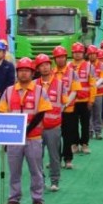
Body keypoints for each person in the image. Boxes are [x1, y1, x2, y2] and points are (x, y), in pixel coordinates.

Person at [0, 57, 53, 204]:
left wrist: (26, 130)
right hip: (14, 139)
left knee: (36, 170)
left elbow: (41, 114)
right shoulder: (9, 91)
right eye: (21, 71)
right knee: (14, 170)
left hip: (34, 137)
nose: (23, 74)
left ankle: (37, 200)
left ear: (32, 73)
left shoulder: (40, 91)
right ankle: (14, 200)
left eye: (26, 71)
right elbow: (2, 112)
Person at [35, 54, 67, 193]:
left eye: (47, 64)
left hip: (53, 127)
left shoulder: (60, 84)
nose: (45, 67)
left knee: (54, 156)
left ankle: (55, 180)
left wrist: (57, 116)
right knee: (37, 156)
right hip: (36, 128)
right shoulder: (34, 84)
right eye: (42, 65)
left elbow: (64, 102)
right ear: (38, 68)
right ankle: (40, 180)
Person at [64, 43, 96, 159]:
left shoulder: (89, 66)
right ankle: (74, 144)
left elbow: (93, 85)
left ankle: (85, 144)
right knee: (72, 125)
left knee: (85, 124)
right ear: (72, 53)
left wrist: (91, 100)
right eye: (75, 52)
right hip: (71, 101)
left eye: (80, 52)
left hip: (85, 100)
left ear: (83, 53)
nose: (77, 54)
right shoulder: (68, 66)